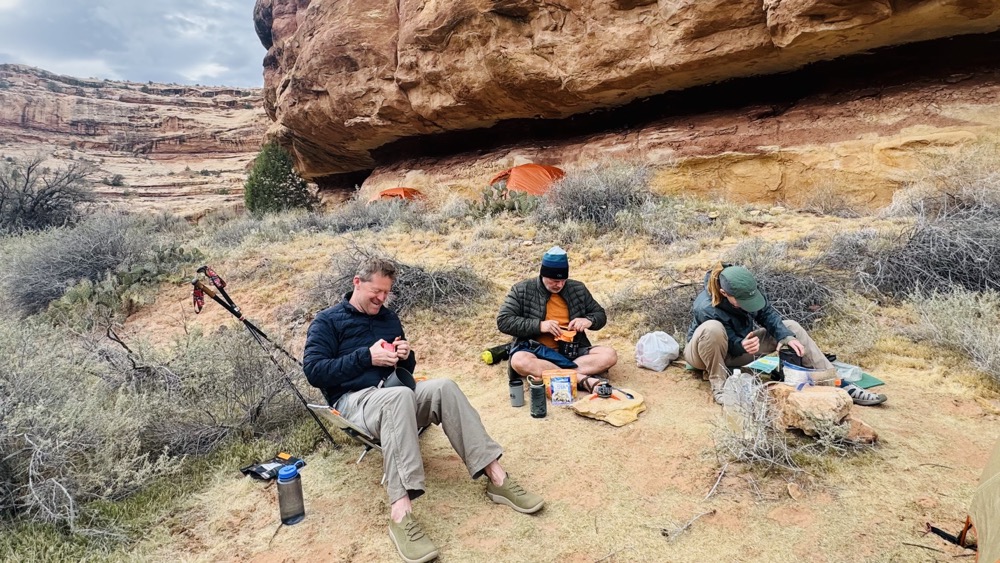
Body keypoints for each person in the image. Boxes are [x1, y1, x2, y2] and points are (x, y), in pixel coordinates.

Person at [304, 257, 543, 563]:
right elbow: (314, 370)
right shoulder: (328, 321)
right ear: (357, 282)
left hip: (394, 391)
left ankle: (497, 477)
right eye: (376, 291)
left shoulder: (388, 319)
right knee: (399, 397)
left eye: (386, 293)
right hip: (355, 401)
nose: (381, 298)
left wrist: (405, 356)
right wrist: (366, 357)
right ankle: (401, 513)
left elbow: (405, 369)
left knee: (443, 386)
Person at [685, 263, 887, 406]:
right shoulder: (705, 307)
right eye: (741, 302)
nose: (748, 305)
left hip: (741, 348)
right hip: (703, 355)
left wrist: (786, 337)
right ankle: (719, 386)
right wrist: (741, 345)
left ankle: (836, 382)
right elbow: (727, 342)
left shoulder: (746, 290)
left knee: (791, 327)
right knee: (713, 328)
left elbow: (767, 314)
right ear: (723, 292)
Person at [497, 245, 618, 393]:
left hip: (572, 352)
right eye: (554, 281)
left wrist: (588, 321)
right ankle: (581, 379)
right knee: (519, 361)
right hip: (536, 352)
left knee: (609, 355)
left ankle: (558, 374)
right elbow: (504, 321)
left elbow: (600, 314)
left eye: (563, 280)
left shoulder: (577, 288)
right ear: (543, 275)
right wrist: (540, 326)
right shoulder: (522, 289)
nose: (559, 285)